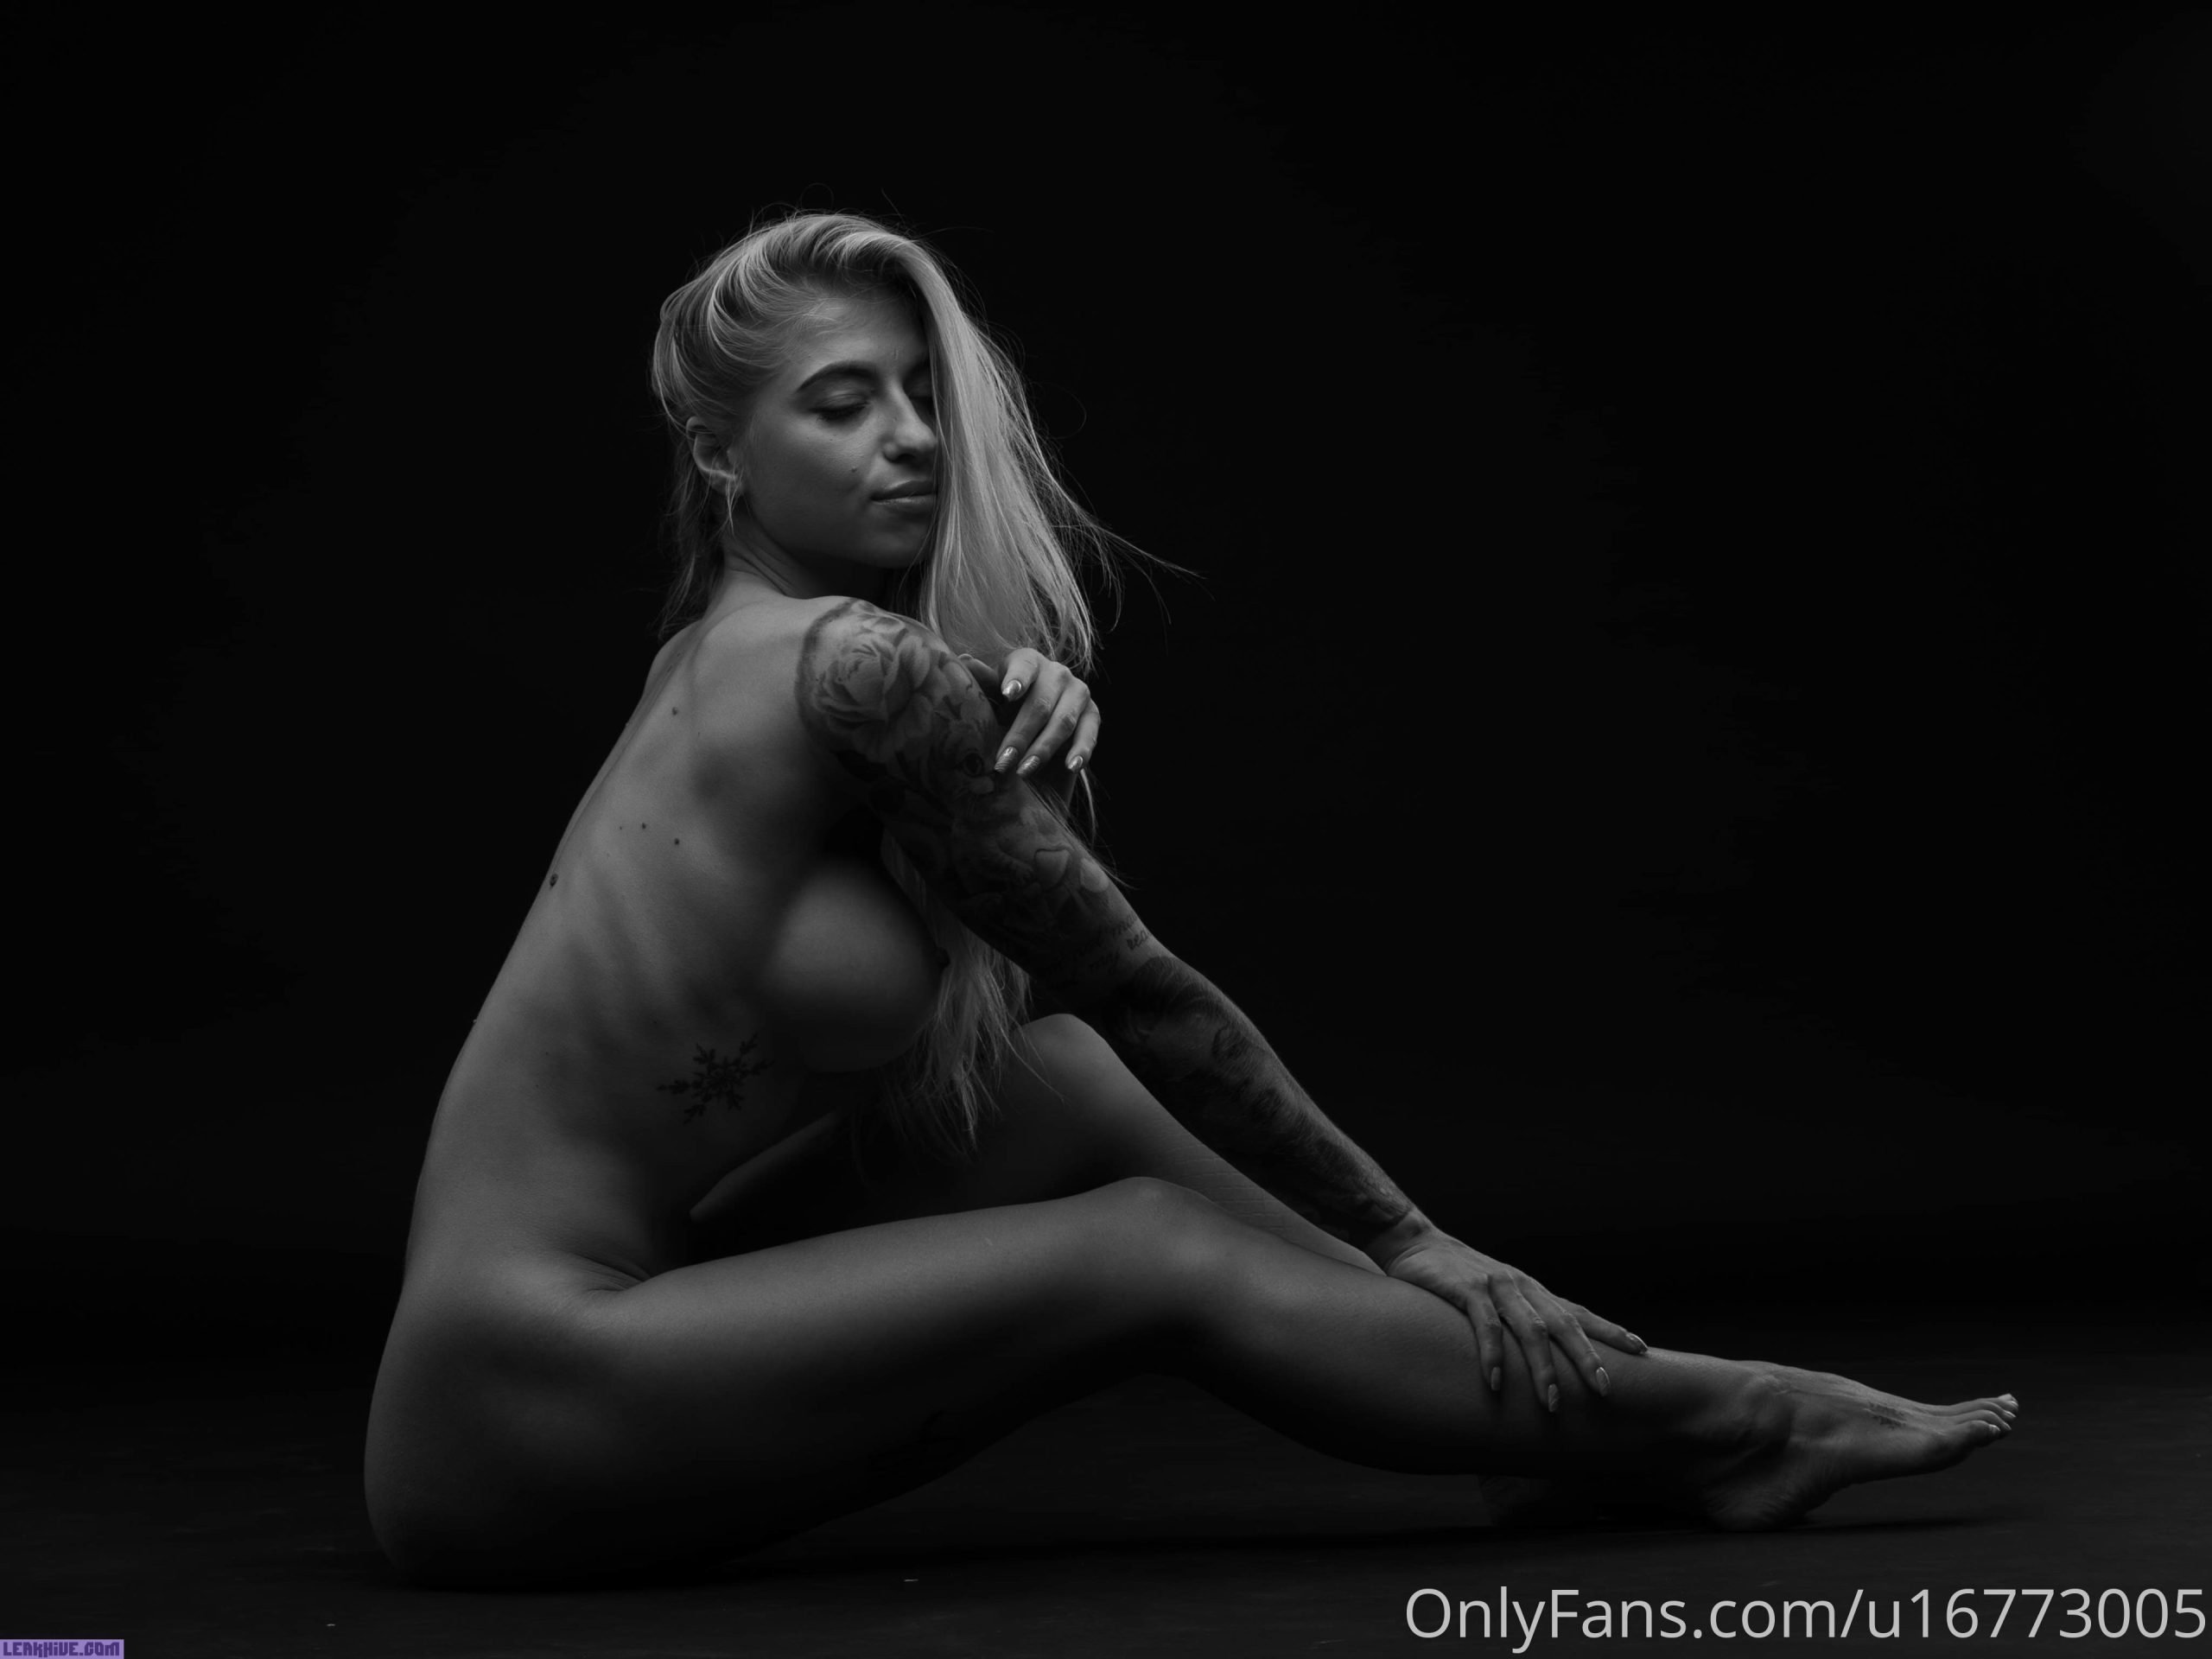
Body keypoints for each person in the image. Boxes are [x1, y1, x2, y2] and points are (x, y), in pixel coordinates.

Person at [364, 210, 2017, 1588]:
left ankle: (1560, 1423)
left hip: (589, 1334)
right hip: (517, 1405)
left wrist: (1014, 755)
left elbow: (1006, 979)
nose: (915, 437)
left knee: (1061, 1080)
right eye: (843, 404)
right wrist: (1415, 1238)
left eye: (922, 393)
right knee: (1142, 1251)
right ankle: (1713, 1421)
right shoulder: (853, 671)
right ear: (719, 450)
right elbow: (1136, 978)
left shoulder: (740, 659)